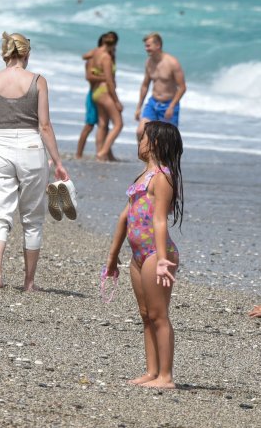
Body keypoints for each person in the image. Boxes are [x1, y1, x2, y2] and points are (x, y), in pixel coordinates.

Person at [0, 33, 69, 291]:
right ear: (27, 53)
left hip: (0, 146)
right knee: (32, 218)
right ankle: (29, 282)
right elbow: (44, 125)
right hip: (31, 147)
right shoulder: (38, 81)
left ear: (5, 53)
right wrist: (58, 161)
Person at [104, 121, 184, 389]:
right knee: (146, 314)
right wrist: (113, 257)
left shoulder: (163, 177)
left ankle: (166, 376)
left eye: (143, 138)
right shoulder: (142, 176)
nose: (139, 143)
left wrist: (162, 259)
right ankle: (152, 371)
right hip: (138, 255)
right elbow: (124, 218)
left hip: (157, 254)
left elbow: (160, 220)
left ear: (156, 143)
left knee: (159, 315)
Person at [134, 33, 186, 139]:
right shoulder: (149, 62)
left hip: (169, 104)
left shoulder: (172, 63)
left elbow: (182, 87)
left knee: (166, 139)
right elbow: (145, 85)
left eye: (148, 46)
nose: (146, 49)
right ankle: (143, 151)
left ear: (158, 45)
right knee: (140, 132)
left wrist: (171, 106)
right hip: (153, 103)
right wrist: (139, 107)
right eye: (145, 46)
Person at [75, 32, 116, 159]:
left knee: (104, 125)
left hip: (104, 93)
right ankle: (78, 154)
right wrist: (107, 78)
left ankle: (108, 154)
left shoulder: (109, 58)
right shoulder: (93, 59)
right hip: (93, 93)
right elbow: (89, 77)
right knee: (90, 125)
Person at [91, 33, 123, 161]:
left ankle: (101, 154)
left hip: (96, 91)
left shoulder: (96, 53)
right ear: (114, 44)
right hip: (105, 91)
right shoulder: (106, 58)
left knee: (102, 124)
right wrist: (117, 101)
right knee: (118, 124)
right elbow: (110, 82)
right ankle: (103, 152)